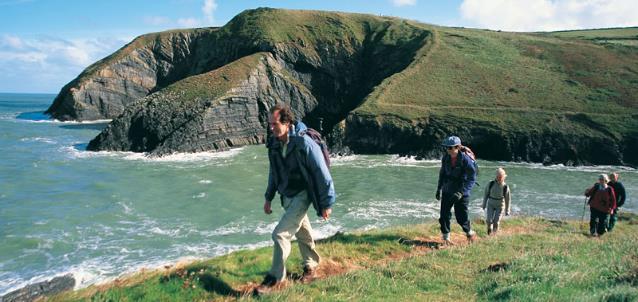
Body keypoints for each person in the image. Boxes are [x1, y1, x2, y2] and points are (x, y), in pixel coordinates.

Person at [257, 103, 335, 292]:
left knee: (280, 234)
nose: (271, 128)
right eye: (269, 124)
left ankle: (276, 279)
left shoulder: (304, 143)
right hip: (287, 194)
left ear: (287, 122)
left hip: (302, 194)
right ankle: (312, 265)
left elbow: (321, 173)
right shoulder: (275, 143)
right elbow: (273, 172)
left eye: (274, 124)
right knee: (302, 230)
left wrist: (326, 203)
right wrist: (268, 198)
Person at [435, 136, 477, 244]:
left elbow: (472, 178)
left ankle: (469, 232)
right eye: (447, 148)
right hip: (447, 189)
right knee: (444, 215)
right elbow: (442, 174)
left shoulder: (465, 160)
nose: (448, 150)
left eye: (450, 147)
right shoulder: (446, 158)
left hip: (461, 191)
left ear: (457, 147)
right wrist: (439, 189)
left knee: (461, 217)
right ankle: (446, 239)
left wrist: (461, 192)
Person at [481, 168, 511, 235]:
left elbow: (507, 199)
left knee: (496, 222)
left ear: (504, 177)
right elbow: (486, 195)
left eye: (501, 177)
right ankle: (489, 229)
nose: (499, 178)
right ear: (496, 176)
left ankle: (494, 235)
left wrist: (507, 210)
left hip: (500, 205)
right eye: (498, 177)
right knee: (489, 220)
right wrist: (484, 204)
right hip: (491, 203)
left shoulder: (505, 187)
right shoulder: (490, 184)